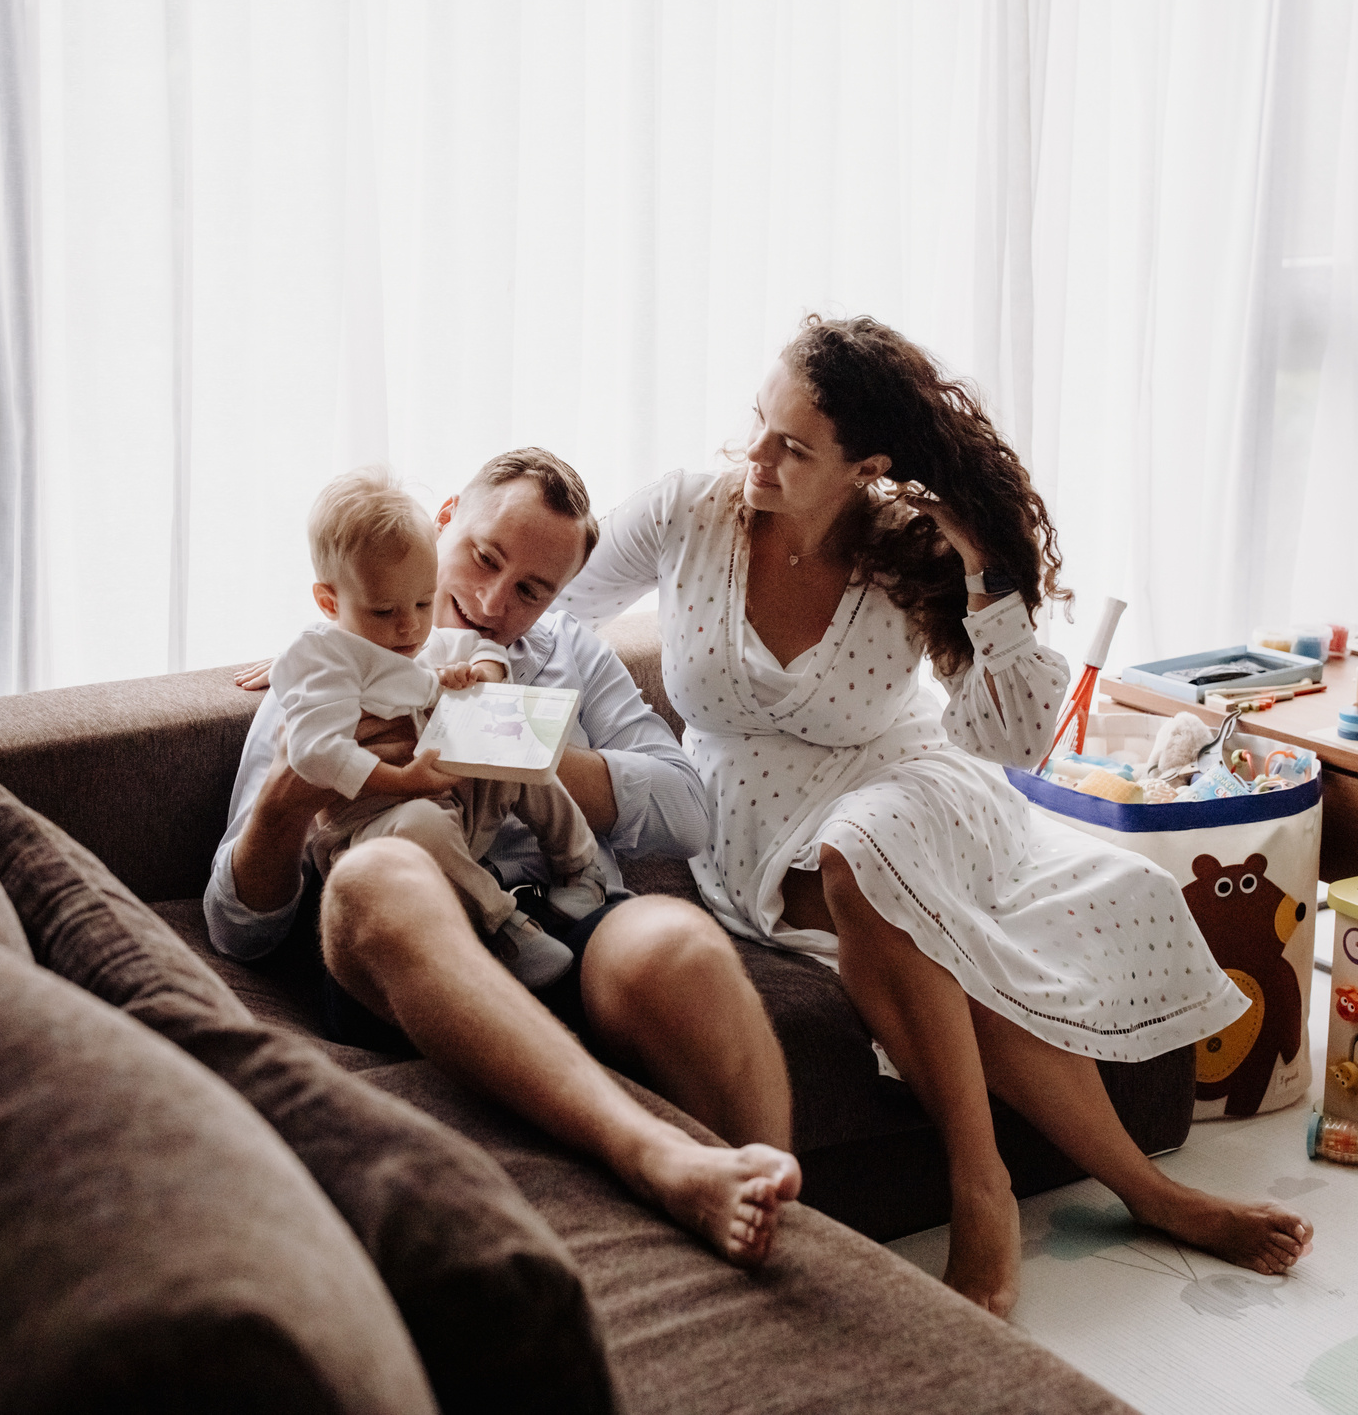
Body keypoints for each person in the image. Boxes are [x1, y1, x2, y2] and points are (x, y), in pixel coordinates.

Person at [554, 316, 1313, 1318]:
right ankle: (1152, 1193)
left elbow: (1013, 740)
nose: (756, 459)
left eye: (792, 447)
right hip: (748, 808)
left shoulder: (908, 553)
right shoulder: (687, 512)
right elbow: (541, 597)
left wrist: (981, 569)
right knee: (923, 936)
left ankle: (980, 1187)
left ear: (866, 465)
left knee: (866, 854)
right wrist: (379, 635)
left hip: (911, 782)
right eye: (756, 426)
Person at [206, 447, 802, 1266]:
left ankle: (785, 1230)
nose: (491, 602)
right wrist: (291, 795)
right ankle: (653, 1154)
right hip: (414, 943)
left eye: (532, 589)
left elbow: (687, 809)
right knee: (384, 868)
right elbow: (235, 929)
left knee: (677, 941)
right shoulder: (327, 661)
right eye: (484, 558)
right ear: (445, 518)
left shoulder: (570, 654)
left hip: (566, 912)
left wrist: (517, 737)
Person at [270, 468, 604, 989]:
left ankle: (580, 866)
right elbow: (314, 753)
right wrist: (404, 782)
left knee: (517, 749)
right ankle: (503, 925)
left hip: (460, 811)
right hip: (377, 833)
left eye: (423, 603)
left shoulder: (423, 642)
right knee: (421, 821)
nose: (409, 627)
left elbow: (482, 649)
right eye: (384, 611)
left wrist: (481, 675)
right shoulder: (324, 663)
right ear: (330, 603)